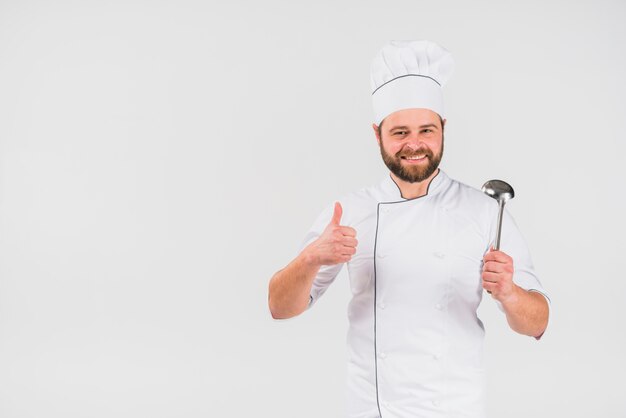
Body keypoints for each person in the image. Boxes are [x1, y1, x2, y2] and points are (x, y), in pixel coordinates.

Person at [268, 40, 550, 418]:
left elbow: (538, 322)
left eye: (426, 130)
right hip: (370, 409)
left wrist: (510, 294)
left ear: (443, 129)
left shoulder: (485, 212)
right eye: (400, 132)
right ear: (377, 133)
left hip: (455, 409)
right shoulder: (350, 211)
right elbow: (279, 308)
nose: (414, 144)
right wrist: (310, 258)